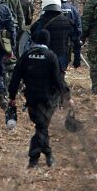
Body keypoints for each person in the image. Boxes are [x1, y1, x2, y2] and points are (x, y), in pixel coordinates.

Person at [7, 31, 67, 169]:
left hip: (32, 98)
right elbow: (58, 80)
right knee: (42, 127)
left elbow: (15, 77)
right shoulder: (51, 56)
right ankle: (39, 157)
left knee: (41, 126)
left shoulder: (26, 55)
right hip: (49, 99)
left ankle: (42, 157)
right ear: (48, 41)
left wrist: (12, 96)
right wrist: (65, 97)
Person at [29, 0, 78, 98]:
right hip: (62, 57)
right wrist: (77, 58)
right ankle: (61, 100)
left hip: (46, 57)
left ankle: (49, 99)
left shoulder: (41, 22)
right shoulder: (68, 21)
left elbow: (34, 36)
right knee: (60, 78)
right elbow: (76, 40)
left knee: (46, 79)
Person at [46, 0, 82, 71]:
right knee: (61, 71)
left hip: (50, 45)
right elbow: (78, 34)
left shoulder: (48, 9)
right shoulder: (73, 10)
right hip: (65, 48)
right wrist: (77, 58)